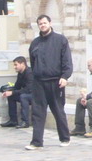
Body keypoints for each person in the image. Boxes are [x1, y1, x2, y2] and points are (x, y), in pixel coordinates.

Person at [25, 15, 74, 150]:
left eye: (45, 23)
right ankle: (36, 141)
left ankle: (65, 137)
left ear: (50, 23)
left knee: (58, 111)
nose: (43, 25)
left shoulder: (60, 40)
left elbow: (67, 61)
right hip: (39, 82)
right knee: (38, 112)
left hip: (55, 82)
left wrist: (65, 76)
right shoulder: (35, 43)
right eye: (40, 24)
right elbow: (33, 63)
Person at [0, 56, 36, 129]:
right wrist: (8, 91)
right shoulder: (20, 73)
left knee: (23, 96)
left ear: (22, 64)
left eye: (16, 65)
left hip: (35, 96)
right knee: (11, 96)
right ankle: (13, 120)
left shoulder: (30, 73)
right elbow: (17, 87)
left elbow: (28, 89)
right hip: (27, 94)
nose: (14, 67)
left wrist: (13, 92)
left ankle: (25, 121)